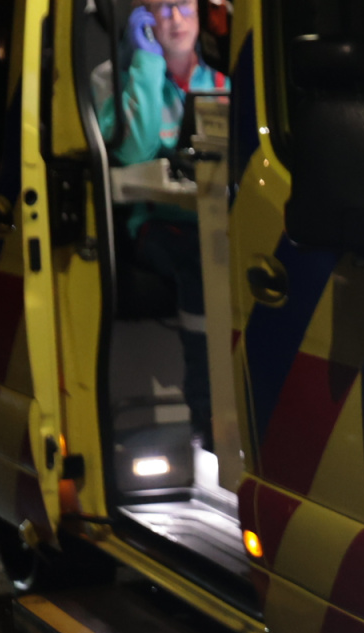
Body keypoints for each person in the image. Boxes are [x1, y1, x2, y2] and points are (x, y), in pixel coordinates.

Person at [96, 0, 228, 451]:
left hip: (218, 221)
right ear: (144, 18)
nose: (175, 18)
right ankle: (206, 412)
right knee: (200, 260)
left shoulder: (223, 84)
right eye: (162, 8)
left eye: (184, 4)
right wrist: (147, 64)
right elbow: (134, 149)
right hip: (155, 225)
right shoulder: (113, 79)